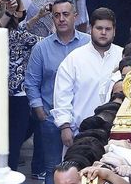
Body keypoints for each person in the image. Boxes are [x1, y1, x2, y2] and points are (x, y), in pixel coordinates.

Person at [24, 0, 86, 180]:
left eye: (65, 14)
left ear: (75, 16)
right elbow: (31, 82)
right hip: (51, 118)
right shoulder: (41, 48)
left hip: (82, 116)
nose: (61, 19)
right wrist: (39, 111)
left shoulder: (87, 44)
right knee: (54, 168)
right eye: (56, 15)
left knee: (83, 168)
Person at [52, 9, 124, 144]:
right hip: (80, 134)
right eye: (99, 28)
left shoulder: (123, 57)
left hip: (116, 135)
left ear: (114, 31)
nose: (103, 32)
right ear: (91, 29)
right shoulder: (74, 58)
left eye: (108, 29)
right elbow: (62, 96)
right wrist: (65, 126)